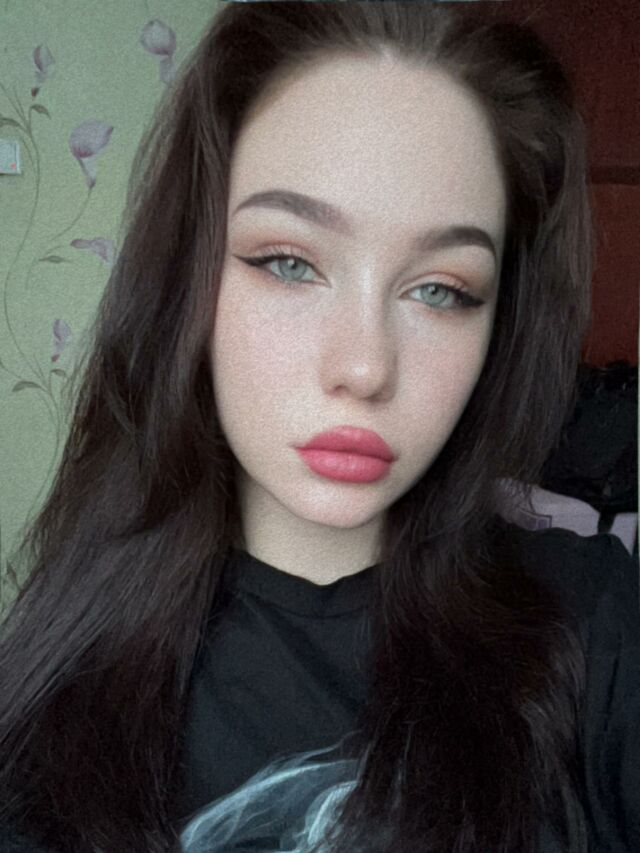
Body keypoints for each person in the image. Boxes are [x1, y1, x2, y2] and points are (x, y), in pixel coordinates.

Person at [0, 2, 638, 852]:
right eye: (289, 262)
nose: (365, 367)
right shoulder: (59, 672)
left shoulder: (593, 622)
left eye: (441, 289)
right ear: (191, 280)